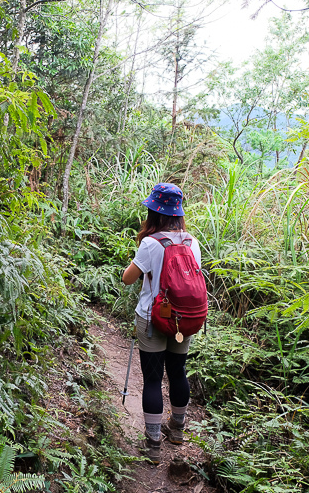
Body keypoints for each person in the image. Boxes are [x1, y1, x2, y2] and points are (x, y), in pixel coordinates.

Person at [121, 182, 201, 465]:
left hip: (153, 319)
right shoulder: (192, 241)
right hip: (185, 320)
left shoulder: (150, 243)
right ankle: (177, 431)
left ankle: (153, 444)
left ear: (154, 211)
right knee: (178, 373)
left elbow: (128, 278)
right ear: (178, 212)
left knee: (154, 379)